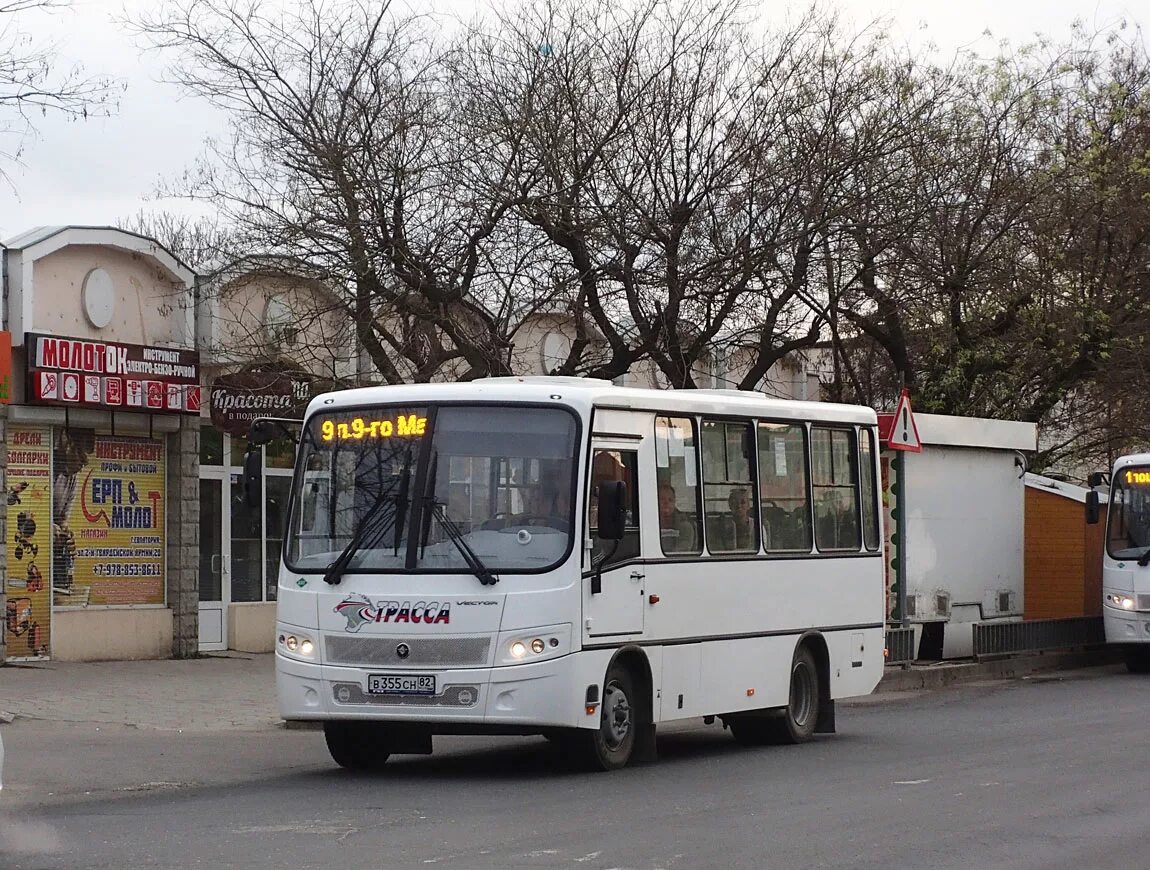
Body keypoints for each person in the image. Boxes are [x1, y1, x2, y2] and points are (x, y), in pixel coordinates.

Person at [658, 482, 697, 552]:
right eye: (662, 499)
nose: (666, 503)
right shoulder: (648, 526)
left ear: (674, 502)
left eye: (670, 500)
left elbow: (681, 553)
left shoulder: (685, 526)